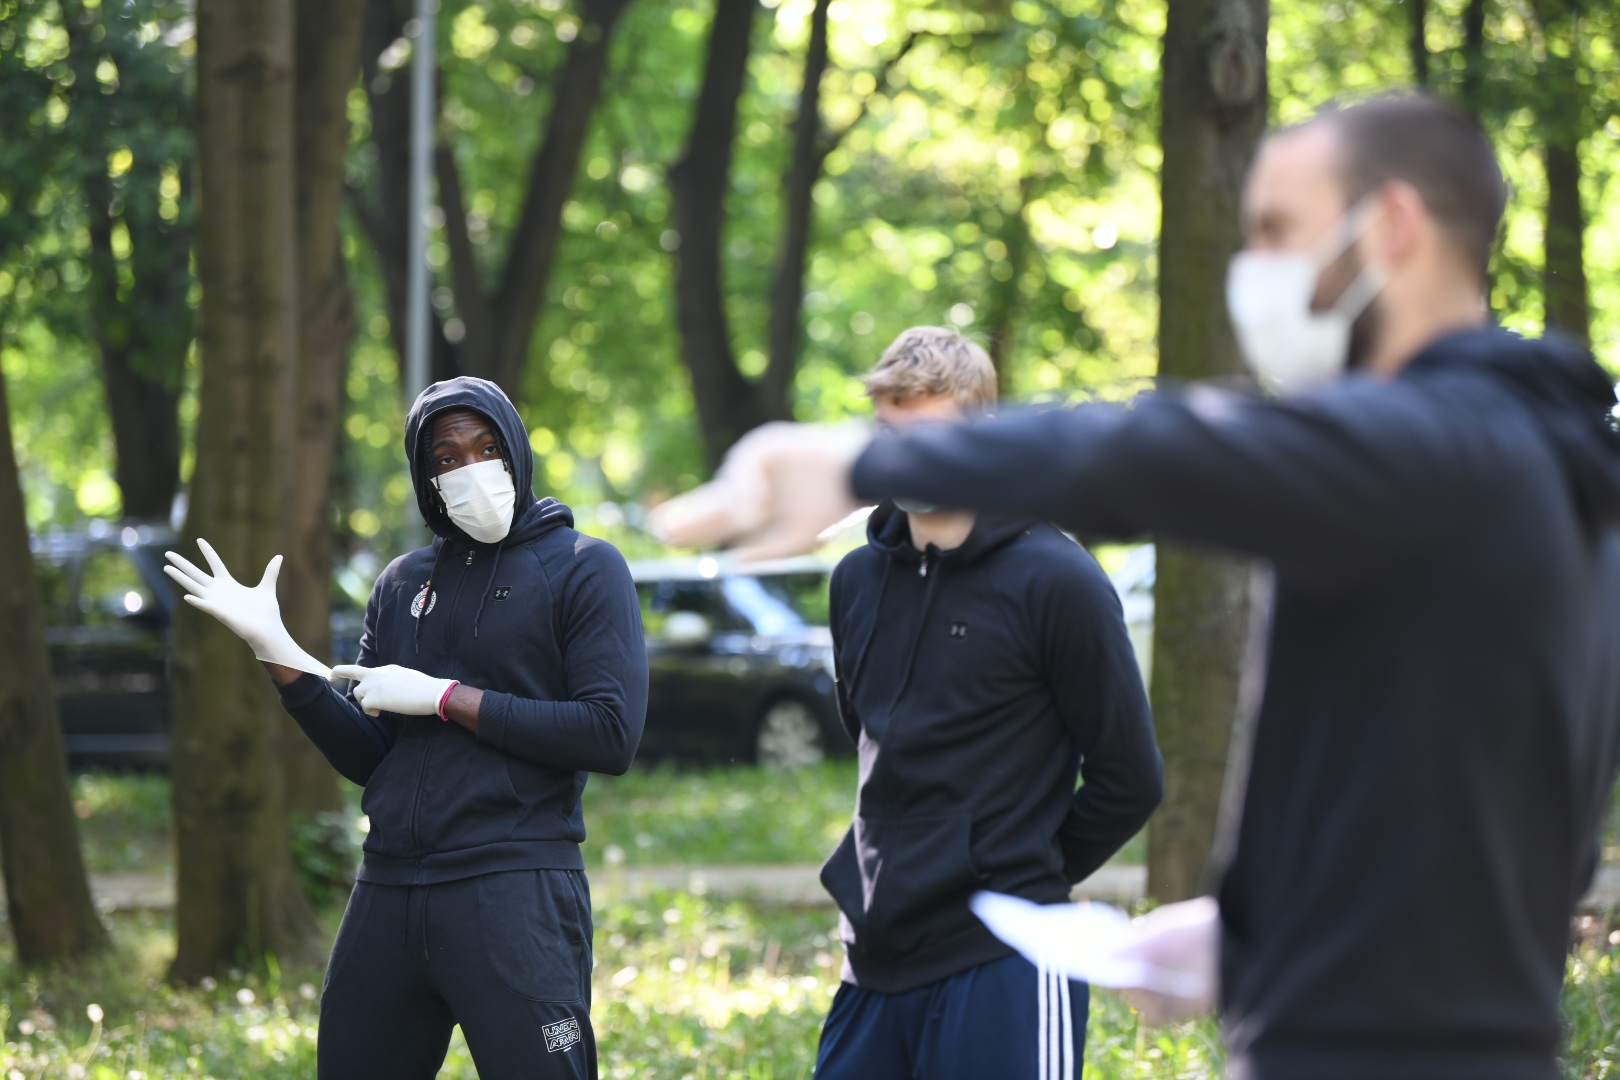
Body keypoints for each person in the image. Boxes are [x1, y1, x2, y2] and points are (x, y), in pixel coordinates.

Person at [653, 92, 1620, 1080]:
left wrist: (859, 465)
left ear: (1394, 228)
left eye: (1280, 231)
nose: (1254, 269)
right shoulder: (1516, 482)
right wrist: (1247, 935)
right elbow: (1459, 816)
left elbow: (1166, 452)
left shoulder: (1463, 446)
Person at [165, 377, 647, 1080]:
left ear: (515, 450)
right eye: (447, 458)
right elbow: (371, 757)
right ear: (425, 477)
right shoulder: (400, 583)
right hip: (388, 891)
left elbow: (610, 734)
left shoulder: (582, 567)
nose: (470, 469)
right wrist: (280, 657)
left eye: (486, 449)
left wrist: (449, 697)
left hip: (513, 890)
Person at [811, 328, 1163, 1080]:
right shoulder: (854, 583)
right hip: (874, 956)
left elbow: (1129, 775)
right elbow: (875, 740)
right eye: (889, 434)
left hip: (1005, 959)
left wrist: (1019, 875)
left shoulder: (1057, 579)